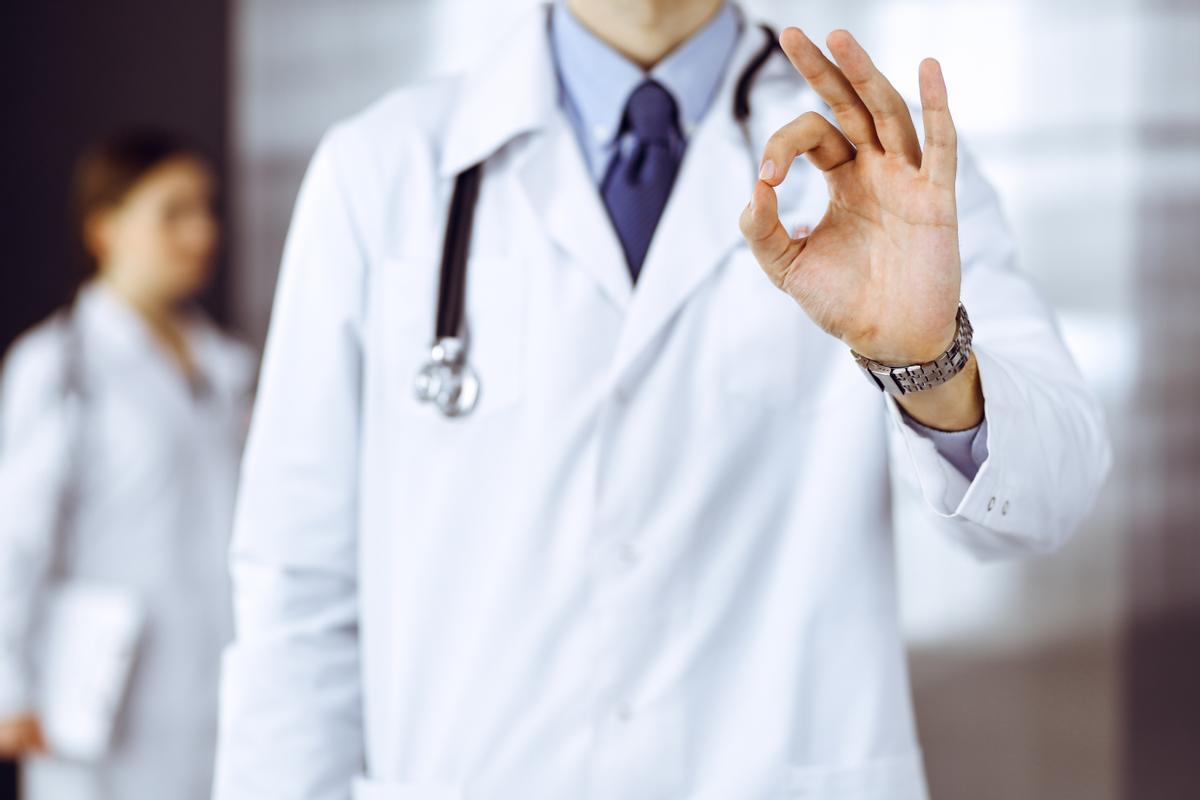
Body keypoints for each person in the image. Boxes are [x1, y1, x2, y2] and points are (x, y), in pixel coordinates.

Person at [213, 1, 1111, 798]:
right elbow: (298, 592)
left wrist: (926, 361)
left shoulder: (888, 166)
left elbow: (1043, 500)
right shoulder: (383, 170)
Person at [0, 130, 255, 799]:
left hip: (216, 691)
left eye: (206, 209)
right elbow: (14, 539)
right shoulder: (57, 366)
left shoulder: (226, 366)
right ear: (105, 228)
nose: (201, 231)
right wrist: (7, 684)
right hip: (101, 701)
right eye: (172, 212)